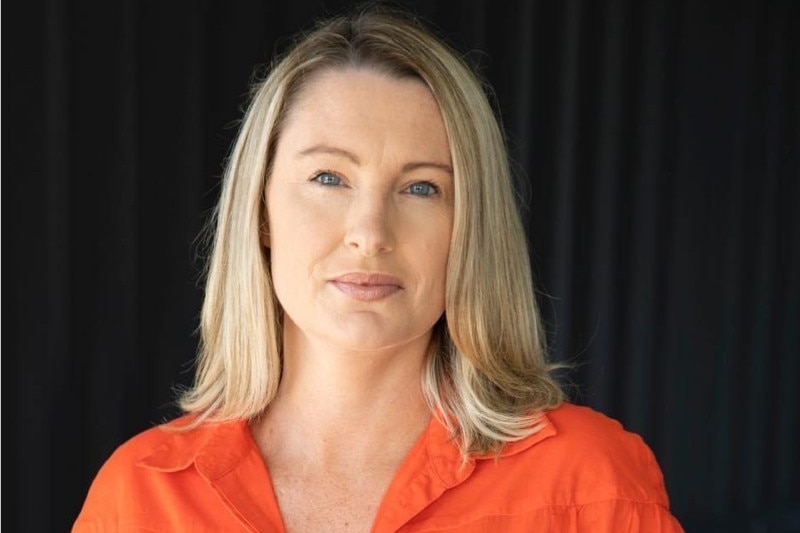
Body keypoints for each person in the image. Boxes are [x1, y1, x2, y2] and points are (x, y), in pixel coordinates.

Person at [73, 5, 684, 532]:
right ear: (259, 211)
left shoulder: (593, 486)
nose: (370, 233)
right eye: (328, 178)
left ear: (470, 228)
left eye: (421, 188)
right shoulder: (139, 498)